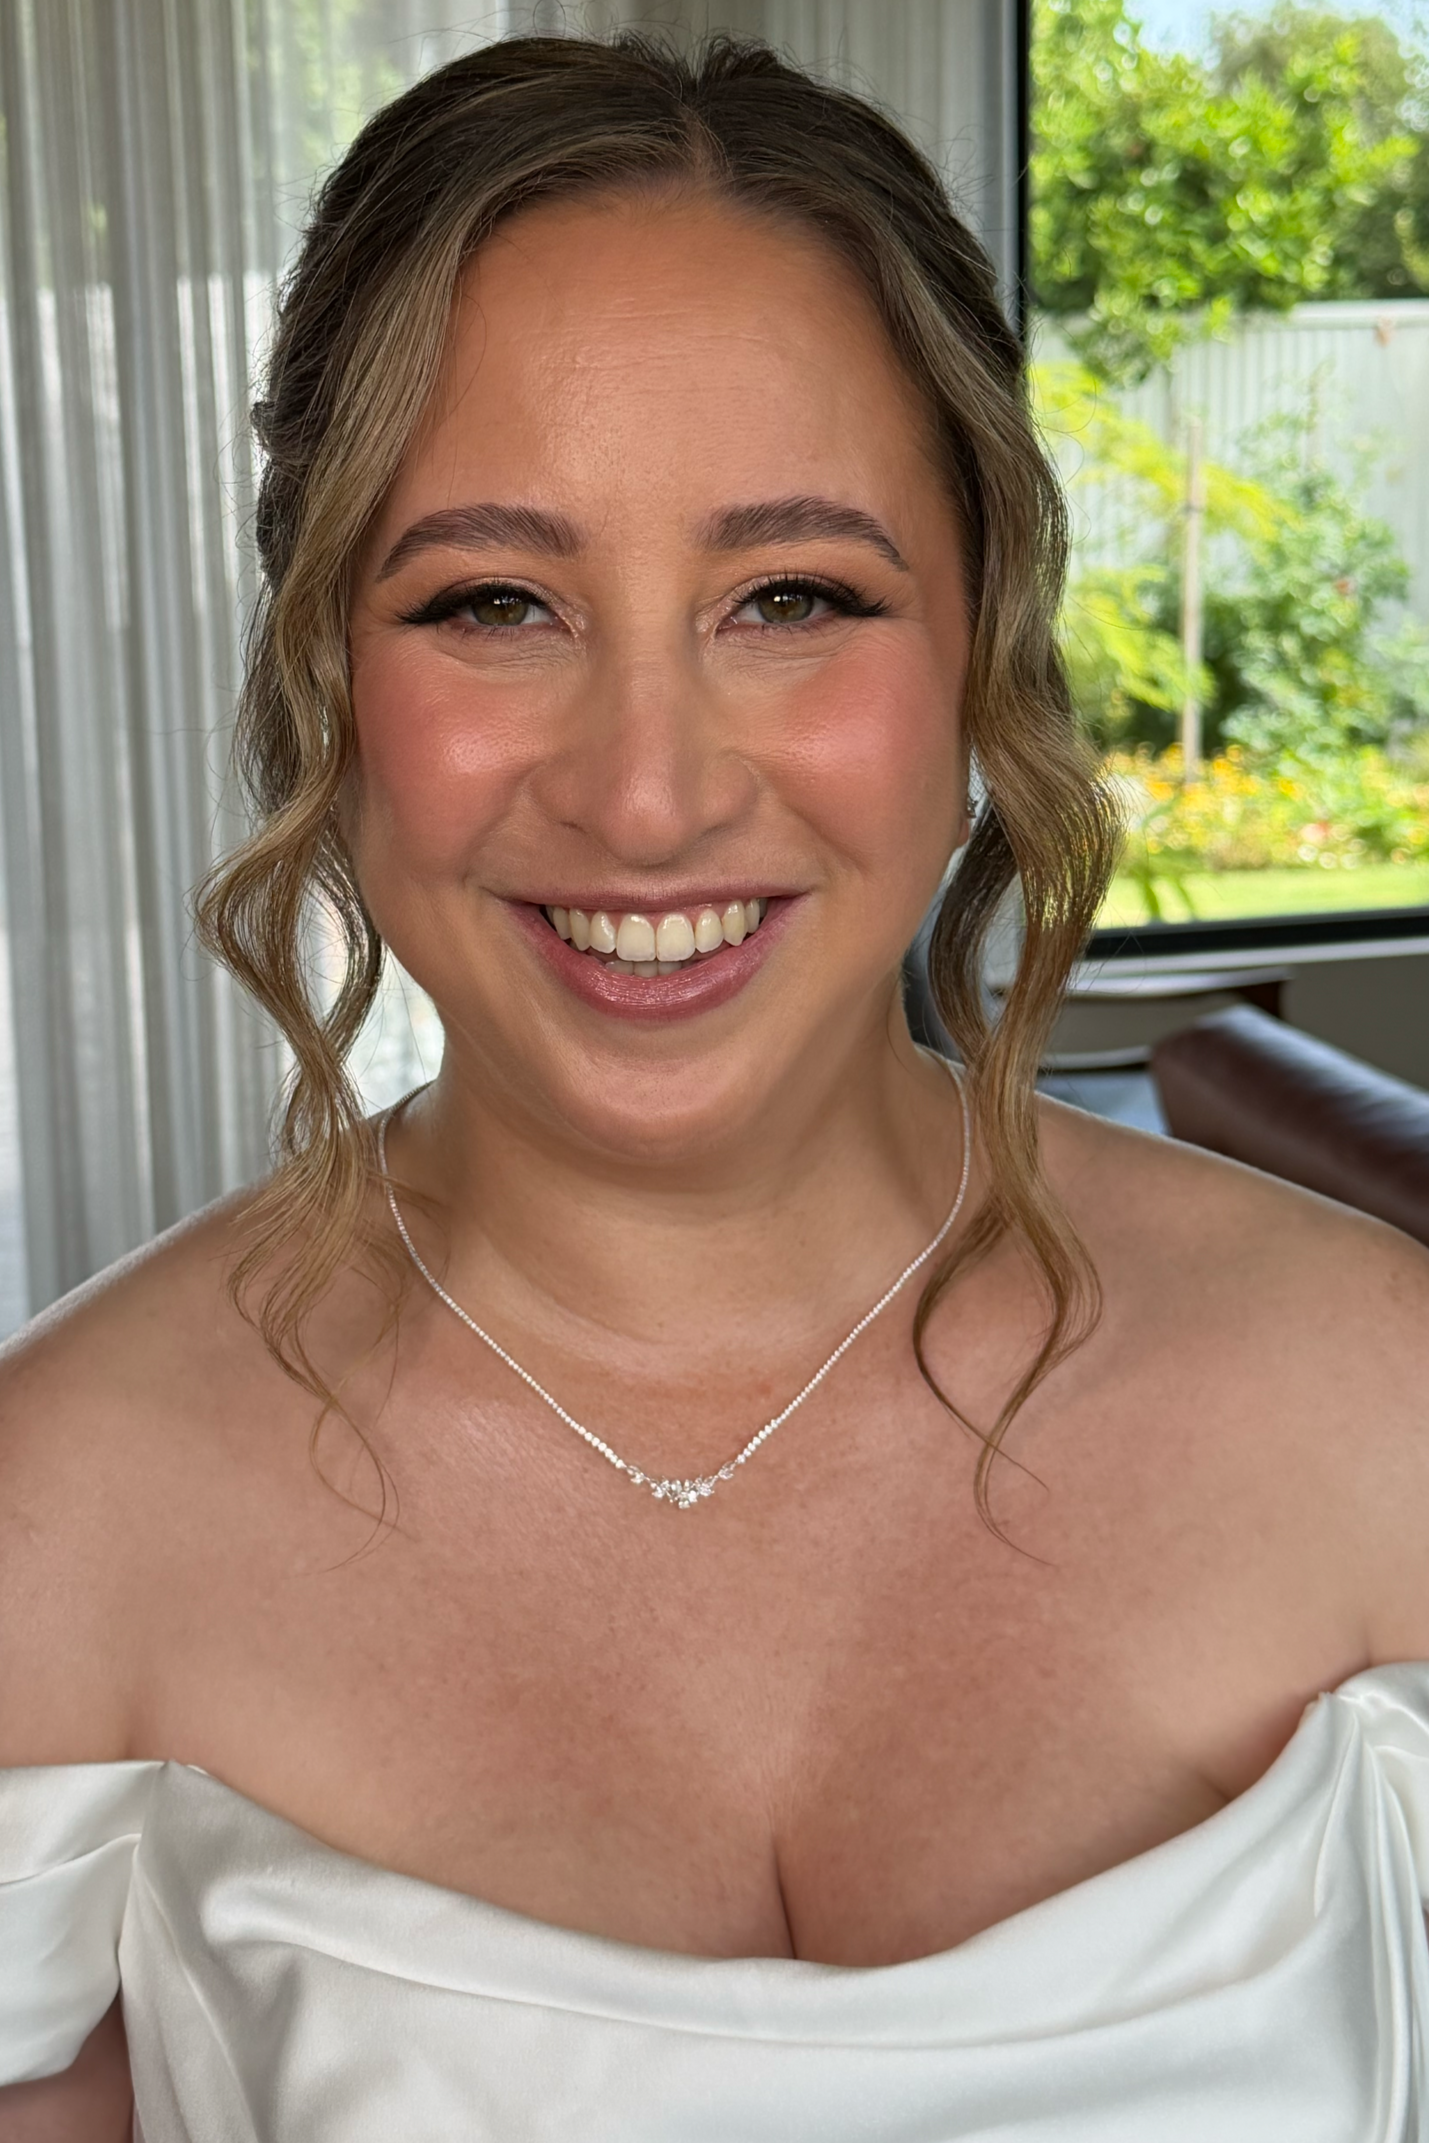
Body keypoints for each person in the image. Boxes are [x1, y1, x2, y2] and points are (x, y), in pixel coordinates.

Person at [0, 29, 1425, 2142]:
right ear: (327, 674)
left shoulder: (1388, 1408)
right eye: (493, 601)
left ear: (980, 653)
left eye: (793, 598)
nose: (648, 798)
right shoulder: (57, 1530)